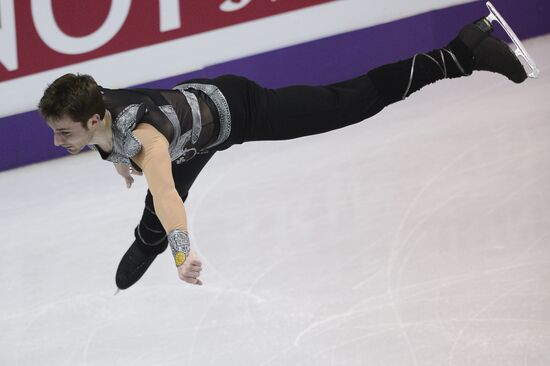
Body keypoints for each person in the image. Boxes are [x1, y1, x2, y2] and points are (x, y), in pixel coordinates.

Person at [38, 12, 534, 291]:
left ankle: (460, 53)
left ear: (96, 119)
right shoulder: (94, 103)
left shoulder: (146, 137)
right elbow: (111, 134)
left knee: (348, 103)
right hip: (191, 126)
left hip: (239, 109)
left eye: (63, 133)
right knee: (149, 202)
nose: (57, 141)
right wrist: (117, 158)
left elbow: (168, 194)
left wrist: (182, 253)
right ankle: (144, 242)